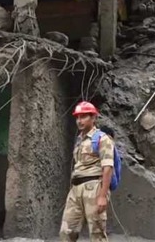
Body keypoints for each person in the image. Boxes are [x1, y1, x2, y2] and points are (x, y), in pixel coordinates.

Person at [60, 101, 115, 242]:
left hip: (94, 187)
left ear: (93, 118)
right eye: (77, 117)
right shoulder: (80, 140)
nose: (79, 121)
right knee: (67, 231)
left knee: (97, 233)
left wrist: (102, 196)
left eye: (84, 117)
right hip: (76, 189)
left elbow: (107, 167)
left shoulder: (102, 139)